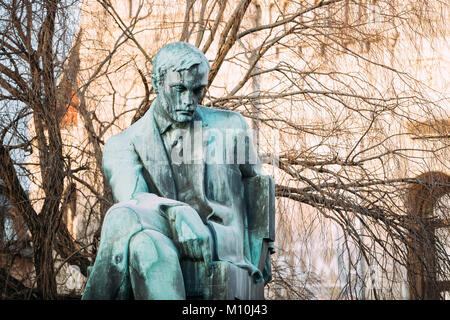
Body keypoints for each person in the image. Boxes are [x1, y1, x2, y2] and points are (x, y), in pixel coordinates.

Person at [82, 42, 271, 300]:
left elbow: (258, 187)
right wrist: (178, 213)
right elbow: (133, 207)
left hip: (220, 239)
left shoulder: (231, 126)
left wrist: (262, 252)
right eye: (179, 89)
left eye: (197, 91)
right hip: (161, 238)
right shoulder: (122, 145)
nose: (189, 101)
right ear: (157, 83)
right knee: (143, 243)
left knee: (124, 223)